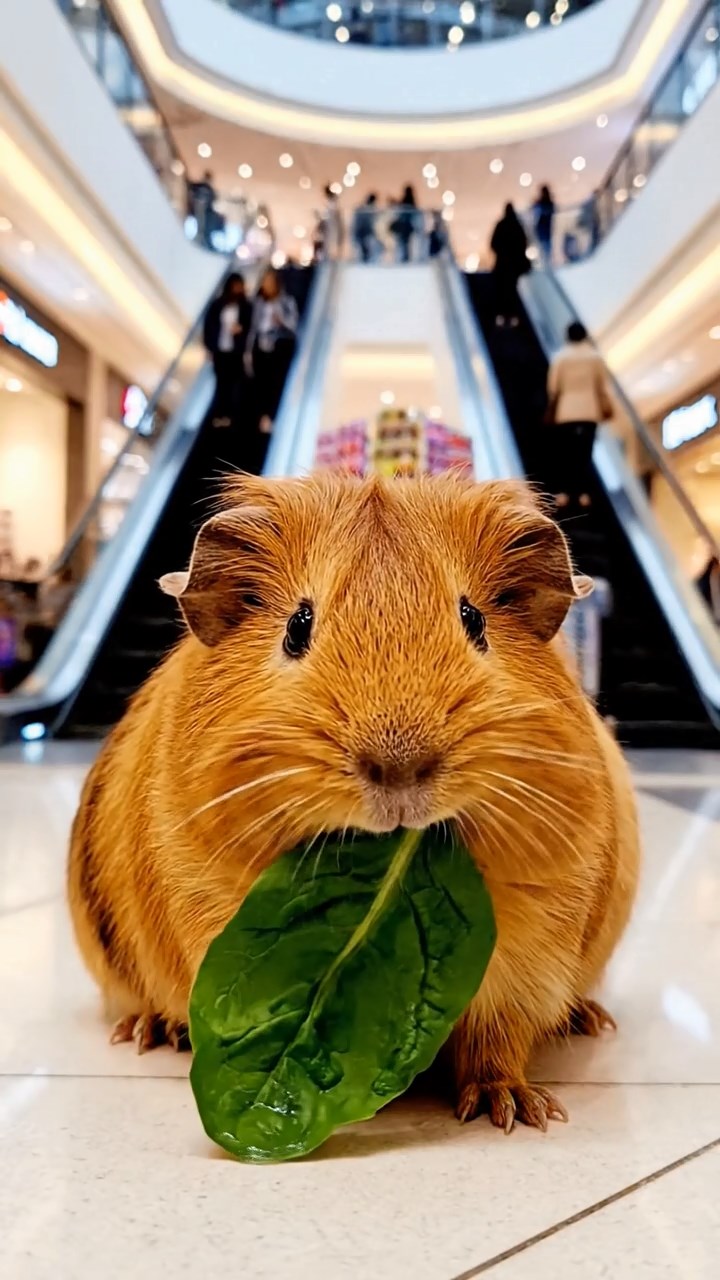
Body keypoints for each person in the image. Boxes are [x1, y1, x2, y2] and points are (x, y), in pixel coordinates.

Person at [545, 321, 615, 510]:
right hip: (589, 411)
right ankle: (584, 494)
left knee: (567, 454)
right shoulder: (595, 357)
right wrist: (606, 406)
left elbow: (553, 387)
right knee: (585, 454)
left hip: (566, 412)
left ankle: (564, 494)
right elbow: (602, 385)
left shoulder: (560, 357)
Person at [246, 269, 299, 467]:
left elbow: (294, 325)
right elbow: (254, 328)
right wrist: (248, 352)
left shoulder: (286, 302)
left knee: (274, 383)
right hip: (261, 347)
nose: (266, 285)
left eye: (270, 281)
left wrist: (281, 321)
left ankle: (270, 417)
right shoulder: (258, 304)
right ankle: (258, 417)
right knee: (260, 383)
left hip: (278, 345)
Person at [203, 273, 252, 429]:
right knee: (221, 384)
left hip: (235, 351)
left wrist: (240, 331)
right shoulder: (218, 305)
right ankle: (219, 415)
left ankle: (231, 416)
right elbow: (209, 326)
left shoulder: (245, 306)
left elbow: (249, 327)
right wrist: (209, 347)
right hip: (220, 351)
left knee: (233, 384)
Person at [489, 202, 529, 325]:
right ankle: (513, 316)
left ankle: (502, 316)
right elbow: (524, 243)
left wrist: (502, 253)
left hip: (502, 265)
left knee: (501, 291)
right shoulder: (517, 225)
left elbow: (493, 244)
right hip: (514, 266)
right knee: (512, 291)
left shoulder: (501, 225)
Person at [187, 170, 218, 249]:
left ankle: (200, 237)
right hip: (196, 207)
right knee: (197, 222)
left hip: (204, 210)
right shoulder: (200, 186)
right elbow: (190, 186)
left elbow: (213, 199)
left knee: (202, 223)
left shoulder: (209, 189)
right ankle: (198, 236)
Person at [390, 186, 418, 263]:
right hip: (406, 226)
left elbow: (402, 207)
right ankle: (404, 258)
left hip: (405, 226)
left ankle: (404, 258)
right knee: (404, 243)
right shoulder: (410, 200)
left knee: (404, 243)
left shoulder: (408, 200)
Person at [352, 193, 380, 263]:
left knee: (367, 247)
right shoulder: (364, 209)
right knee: (363, 247)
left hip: (365, 232)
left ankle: (366, 259)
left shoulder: (369, 209)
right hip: (362, 231)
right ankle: (364, 259)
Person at [532, 184, 555, 262]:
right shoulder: (547, 203)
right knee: (546, 252)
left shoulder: (542, 204)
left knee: (544, 252)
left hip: (543, 231)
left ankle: (546, 266)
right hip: (545, 231)